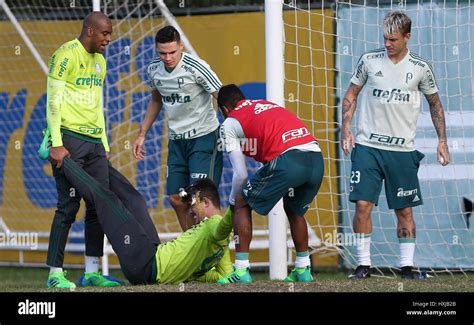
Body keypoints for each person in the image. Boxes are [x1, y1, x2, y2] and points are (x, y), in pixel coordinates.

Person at [340, 11, 450, 279]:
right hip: (367, 147)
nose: (387, 43)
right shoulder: (368, 61)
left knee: (404, 210)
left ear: (407, 37)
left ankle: (407, 268)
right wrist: (346, 129)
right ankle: (363, 265)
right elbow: (351, 95)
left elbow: (435, 104)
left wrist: (442, 141)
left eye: (393, 39)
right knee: (362, 205)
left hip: (402, 152)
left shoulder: (420, 68)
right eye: (384, 38)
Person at [54, 157, 233, 285]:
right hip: (152, 253)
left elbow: (221, 226)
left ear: (206, 202)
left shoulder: (214, 224)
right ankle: (99, 158)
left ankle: (64, 161)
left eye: (193, 205)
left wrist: (235, 206)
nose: (192, 212)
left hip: (143, 264)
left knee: (106, 200)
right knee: (135, 201)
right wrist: (192, 270)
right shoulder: (221, 244)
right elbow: (222, 275)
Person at [216, 84, 325, 283]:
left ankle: (241, 272)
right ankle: (303, 270)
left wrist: (234, 199)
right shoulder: (265, 105)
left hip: (289, 161)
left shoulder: (229, 123)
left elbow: (240, 174)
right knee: (294, 210)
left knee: (242, 202)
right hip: (316, 159)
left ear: (224, 110)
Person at [43, 12, 120, 288]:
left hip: (95, 143)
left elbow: (97, 105)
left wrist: (105, 143)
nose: (109, 39)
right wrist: (57, 142)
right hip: (68, 141)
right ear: (90, 30)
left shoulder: (100, 62)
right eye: (105, 34)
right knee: (68, 206)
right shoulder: (65, 55)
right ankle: (54, 274)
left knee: (99, 203)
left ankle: (91, 271)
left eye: (110, 34)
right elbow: (53, 102)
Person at [133, 25, 223, 232]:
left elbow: (221, 95)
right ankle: (194, 248)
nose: (167, 57)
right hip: (177, 142)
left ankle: (216, 254)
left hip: (204, 138)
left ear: (181, 46)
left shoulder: (197, 67)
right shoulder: (154, 70)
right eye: (162, 53)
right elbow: (156, 100)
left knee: (200, 200)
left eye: (172, 52)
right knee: (177, 197)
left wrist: (235, 126)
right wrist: (142, 134)